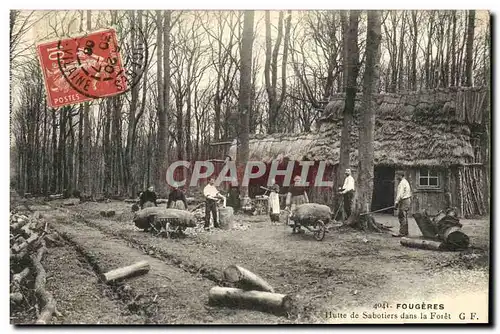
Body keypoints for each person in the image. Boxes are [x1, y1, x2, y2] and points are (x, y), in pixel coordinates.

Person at [393, 171, 412, 237]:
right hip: (406, 200)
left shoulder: (402, 183)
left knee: (402, 216)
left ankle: (402, 233)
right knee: (404, 216)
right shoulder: (405, 182)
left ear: (401, 175)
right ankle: (405, 232)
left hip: (404, 200)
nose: (396, 177)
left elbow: (400, 194)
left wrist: (396, 202)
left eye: (397, 175)